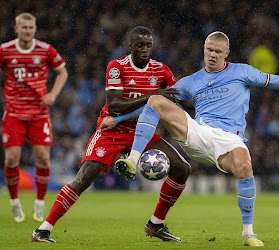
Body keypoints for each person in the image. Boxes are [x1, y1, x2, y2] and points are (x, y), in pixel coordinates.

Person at [104, 31, 279, 247]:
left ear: (227, 53)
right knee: (157, 99)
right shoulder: (190, 82)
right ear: (204, 50)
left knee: (245, 167)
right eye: (209, 50)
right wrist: (118, 119)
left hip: (229, 140)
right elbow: (151, 104)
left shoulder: (242, 72)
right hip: (198, 133)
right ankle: (133, 159)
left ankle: (248, 234)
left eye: (217, 51)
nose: (212, 55)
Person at [31, 26, 190, 243]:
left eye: (148, 45)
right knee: (84, 177)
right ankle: (43, 230)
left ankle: (155, 224)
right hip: (112, 130)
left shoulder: (161, 70)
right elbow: (115, 106)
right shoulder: (117, 67)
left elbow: (179, 99)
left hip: (142, 131)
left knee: (182, 168)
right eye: (140, 45)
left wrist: (207, 99)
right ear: (130, 46)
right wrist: (152, 95)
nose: (145, 50)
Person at [0, 13, 68, 223]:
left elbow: (62, 72)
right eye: (24, 27)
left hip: (39, 113)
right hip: (14, 113)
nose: (27, 31)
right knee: (11, 158)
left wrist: (53, 95)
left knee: (43, 158)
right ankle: (14, 202)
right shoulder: (5, 51)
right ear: (16, 29)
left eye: (31, 27)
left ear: (35, 28)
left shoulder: (46, 50)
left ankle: (39, 203)